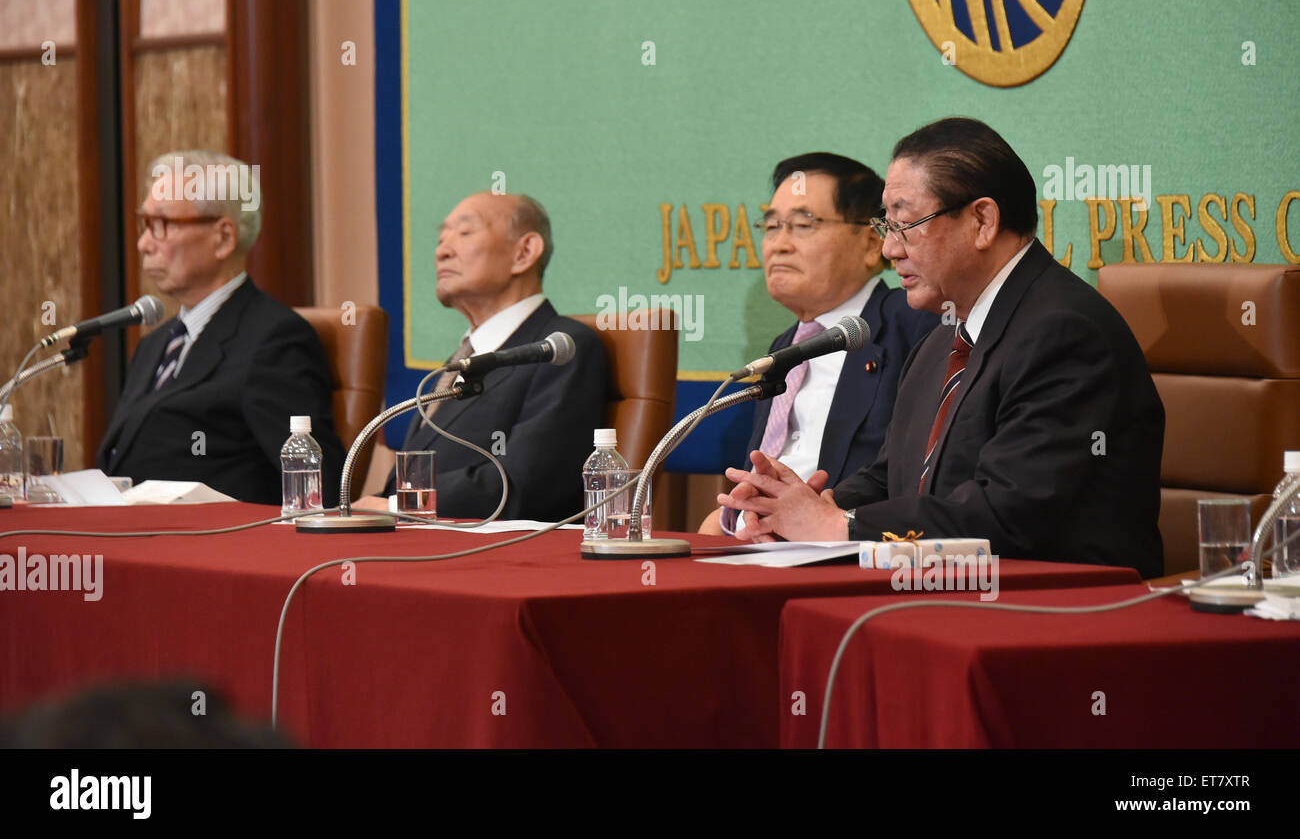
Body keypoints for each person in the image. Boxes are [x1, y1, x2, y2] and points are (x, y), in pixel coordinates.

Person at [719, 118, 1165, 577]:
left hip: (1068, 613)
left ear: (982, 221)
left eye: (906, 224)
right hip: (958, 596)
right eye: (885, 224)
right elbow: (889, 478)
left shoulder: (1065, 332)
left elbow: (1005, 514)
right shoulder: (941, 341)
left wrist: (840, 527)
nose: (890, 248)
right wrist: (801, 509)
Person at [699, 152, 938, 535]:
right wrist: (735, 516)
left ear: (871, 241)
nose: (779, 243)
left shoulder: (916, 327)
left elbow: (909, 478)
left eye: (802, 224)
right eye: (772, 225)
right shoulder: (783, 348)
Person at [98, 150, 345, 506]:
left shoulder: (274, 340)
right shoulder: (155, 345)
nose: (143, 243)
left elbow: (320, 486)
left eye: (161, 224)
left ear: (223, 237)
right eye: (143, 224)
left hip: (214, 548)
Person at [357, 192, 609, 523]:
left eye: (464, 233)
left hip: (506, 560)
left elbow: (525, 486)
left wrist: (396, 506)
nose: (442, 250)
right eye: (441, 237)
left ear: (524, 252)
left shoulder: (561, 349)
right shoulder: (462, 361)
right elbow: (409, 481)